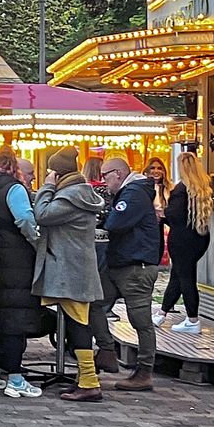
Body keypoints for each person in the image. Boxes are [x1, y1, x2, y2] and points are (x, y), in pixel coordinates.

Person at [32, 147, 107, 402]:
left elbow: (42, 215)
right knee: (78, 323)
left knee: (78, 326)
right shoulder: (81, 193)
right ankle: (86, 379)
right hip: (76, 269)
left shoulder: (69, 197)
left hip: (69, 271)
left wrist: (46, 187)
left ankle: (89, 381)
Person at [0, 148, 45, 399]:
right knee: (15, 318)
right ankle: (14, 377)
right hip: (14, 258)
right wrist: (36, 241)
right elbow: (24, 218)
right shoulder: (14, 189)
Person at [100, 157, 162, 392]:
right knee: (96, 303)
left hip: (136, 266)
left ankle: (144, 371)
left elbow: (115, 223)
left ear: (117, 173)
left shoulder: (133, 193)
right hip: (122, 263)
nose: (104, 182)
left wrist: (107, 214)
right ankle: (106, 350)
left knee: (140, 320)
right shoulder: (132, 192)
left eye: (105, 176)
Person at [154, 151, 214, 334]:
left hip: (181, 238)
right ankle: (161, 314)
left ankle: (192, 320)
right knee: (178, 275)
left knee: (185, 278)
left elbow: (175, 216)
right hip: (201, 236)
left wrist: (163, 214)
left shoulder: (180, 189)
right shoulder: (207, 184)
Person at [83, 156, 120, 373]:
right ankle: (104, 350)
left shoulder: (85, 192)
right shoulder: (107, 194)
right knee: (95, 301)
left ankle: (96, 357)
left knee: (89, 302)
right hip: (104, 247)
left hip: (92, 248)